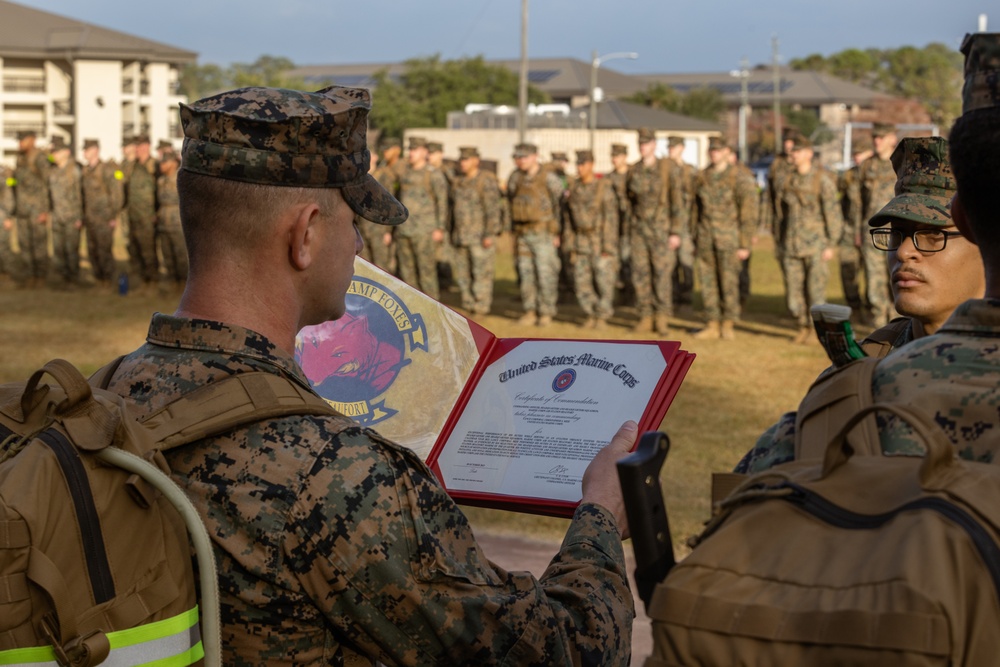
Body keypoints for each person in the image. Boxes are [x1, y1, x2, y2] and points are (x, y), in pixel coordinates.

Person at [103, 84, 636, 666]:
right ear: (305, 235)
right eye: (353, 222)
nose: (359, 243)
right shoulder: (335, 473)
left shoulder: (102, 395)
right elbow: (557, 651)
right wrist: (601, 517)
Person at [736, 131, 987, 474]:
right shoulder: (866, 367)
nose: (903, 252)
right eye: (897, 234)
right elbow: (752, 486)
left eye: (932, 235)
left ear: (987, 243)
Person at [689, 137, 758, 340]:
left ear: (727, 152)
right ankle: (712, 322)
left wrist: (745, 243)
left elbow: (748, 212)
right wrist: (694, 237)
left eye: (718, 150)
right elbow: (694, 210)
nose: (714, 154)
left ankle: (728, 323)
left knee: (729, 283)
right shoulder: (702, 177)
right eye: (712, 150)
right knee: (708, 282)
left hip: (729, 238)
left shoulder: (739, 178)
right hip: (705, 237)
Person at [776, 134, 843, 343]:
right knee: (794, 294)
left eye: (797, 151)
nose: (793, 155)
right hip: (791, 245)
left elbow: (832, 213)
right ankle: (802, 326)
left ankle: (816, 331)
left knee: (815, 292)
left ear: (808, 154)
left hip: (816, 245)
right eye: (791, 151)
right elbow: (780, 213)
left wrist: (831, 243)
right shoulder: (786, 180)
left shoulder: (821, 180)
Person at [626, 127, 685, 334]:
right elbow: (630, 201)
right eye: (641, 144)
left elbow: (677, 200)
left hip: (662, 229)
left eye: (647, 143)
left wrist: (676, 231)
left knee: (661, 274)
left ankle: (661, 317)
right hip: (639, 230)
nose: (643, 147)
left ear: (654, 145)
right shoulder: (633, 170)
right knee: (640, 274)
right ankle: (645, 316)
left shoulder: (666, 168)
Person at [507, 142, 564, 327]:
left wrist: (558, 232)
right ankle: (530, 310)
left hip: (544, 234)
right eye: (518, 157)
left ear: (535, 156)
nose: (521, 160)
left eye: (524, 157)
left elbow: (561, 206)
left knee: (546, 273)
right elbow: (510, 200)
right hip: (523, 234)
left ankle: (546, 312)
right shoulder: (515, 178)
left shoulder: (549, 178)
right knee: (526, 274)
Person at [564, 149, 619, 329]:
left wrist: (608, 247)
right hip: (581, 242)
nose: (579, 168)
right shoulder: (574, 188)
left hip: (599, 241)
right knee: (582, 281)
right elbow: (568, 218)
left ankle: (602, 315)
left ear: (591, 165)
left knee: (604, 281)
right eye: (578, 164)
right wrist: (569, 242)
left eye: (583, 164)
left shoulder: (603, 188)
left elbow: (611, 219)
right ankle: (590, 313)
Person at [389, 136, 449, 299]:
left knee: (426, 272)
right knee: (407, 273)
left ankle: (432, 307)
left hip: (424, 231)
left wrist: (440, 228)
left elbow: (442, 203)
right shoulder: (404, 173)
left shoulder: (433, 174)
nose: (411, 153)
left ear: (424, 152)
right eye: (410, 149)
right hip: (404, 230)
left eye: (415, 150)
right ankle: (413, 305)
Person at [450, 146, 502, 315]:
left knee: (481, 273)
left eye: (466, 160)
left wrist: (490, 234)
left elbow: (493, 209)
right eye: (461, 160)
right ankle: (468, 303)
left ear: (476, 161)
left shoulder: (485, 180)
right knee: (463, 274)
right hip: (461, 236)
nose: (462, 163)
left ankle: (481, 306)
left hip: (480, 236)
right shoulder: (458, 181)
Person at [858, 121, 900, 327]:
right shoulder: (866, 166)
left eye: (881, 137)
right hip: (872, 233)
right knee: (874, 282)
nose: (877, 141)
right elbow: (859, 202)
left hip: (897, 233)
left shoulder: (902, 164)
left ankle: (897, 323)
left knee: (896, 276)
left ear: (892, 139)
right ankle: (879, 325)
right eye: (874, 137)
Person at [837, 135, 874, 316]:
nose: (857, 157)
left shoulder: (876, 176)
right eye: (855, 154)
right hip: (849, 230)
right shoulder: (848, 176)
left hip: (870, 231)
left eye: (861, 154)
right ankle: (855, 307)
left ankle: (872, 308)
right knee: (848, 270)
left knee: (872, 273)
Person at [81, 138, 124, 289]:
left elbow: (116, 194)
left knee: (104, 250)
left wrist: (113, 216)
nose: (84, 152)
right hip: (90, 218)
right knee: (92, 251)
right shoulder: (85, 170)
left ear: (96, 150)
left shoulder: (107, 170)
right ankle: (99, 280)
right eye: (84, 149)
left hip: (105, 218)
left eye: (87, 149)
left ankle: (109, 281)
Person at [12, 130, 51, 287]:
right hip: (22, 210)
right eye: (20, 140)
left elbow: (48, 184)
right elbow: (16, 183)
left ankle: (41, 278)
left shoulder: (41, 158)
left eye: (24, 140)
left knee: (39, 245)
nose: (20, 143)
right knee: (25, 245)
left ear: (32, 140)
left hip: (37, 210)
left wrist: (45, 210)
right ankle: (29, 277)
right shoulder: (20, 159)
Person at [123, 134, 160, 293]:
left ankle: (152, 281)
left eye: (138, 146)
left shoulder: (155, 166)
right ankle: (141, 281)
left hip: (148, 216)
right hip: (133, 215)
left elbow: (161, 191)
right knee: (135, 249)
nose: (135, 149)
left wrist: (156, 213)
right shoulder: (132, 166)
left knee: (148, 250)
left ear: (146, 146)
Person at [48, 136, 84, 288]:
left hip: (71, 217)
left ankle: (73, 279)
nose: (53, 154)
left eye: (56, 151)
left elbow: (81, 195)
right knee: (59, 250)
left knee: (71, 250)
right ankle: (62, 279)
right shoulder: (53, 171)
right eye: (53, 151)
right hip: (57, 216)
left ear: (66, 152)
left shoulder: (74, 170)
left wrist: (79, 217)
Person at [666, 136, 697, 307]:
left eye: (674, 147)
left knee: (686, 264)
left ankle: (686, 299)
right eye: (669, 147)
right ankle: (672, 297)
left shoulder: (689, 171)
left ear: (682, 148)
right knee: (669, 266)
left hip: (685, 226)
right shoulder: (662, 171)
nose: (671, 150)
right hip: (666, 225)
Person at [156, 148, 187, 290]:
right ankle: (173, 281)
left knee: (181, 254)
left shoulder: (181, 179)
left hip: (178, 223)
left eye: (165, 162)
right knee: (167, 253)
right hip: (164, 222)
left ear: (174, 163)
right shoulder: (161, 181)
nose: (162, 165)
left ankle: (184, 284)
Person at [0, 164, 15, 283]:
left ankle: (6, 273)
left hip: (1, 215)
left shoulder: (3, 173)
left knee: (3, 247)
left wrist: (8, 216)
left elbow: (8, 195)